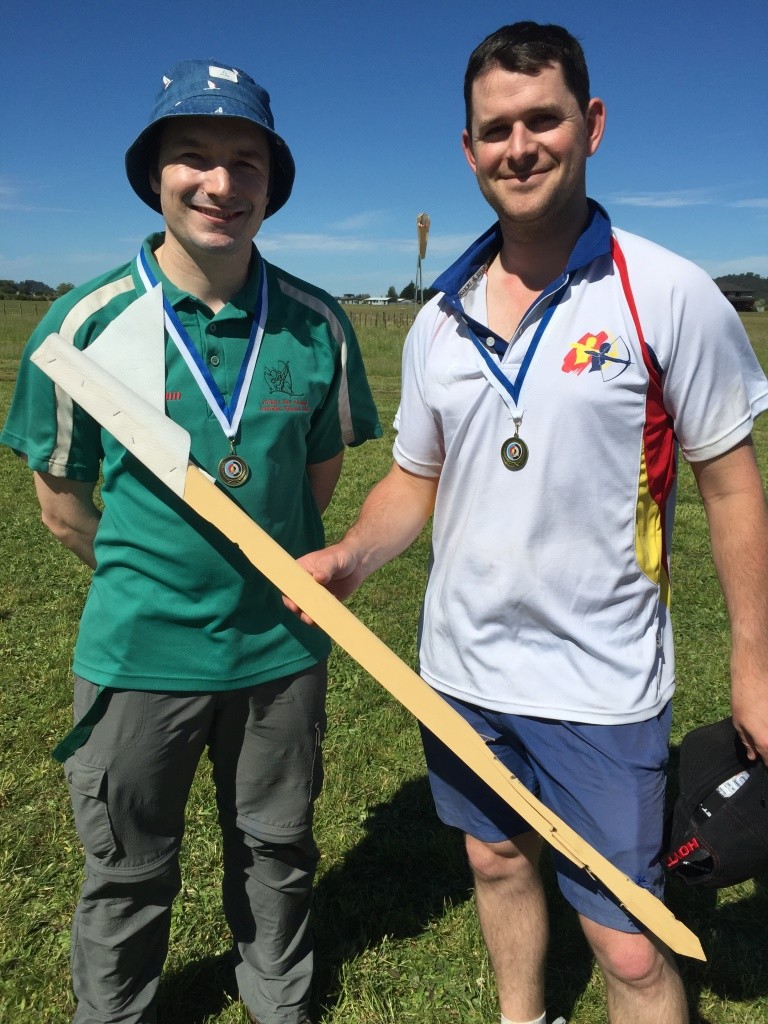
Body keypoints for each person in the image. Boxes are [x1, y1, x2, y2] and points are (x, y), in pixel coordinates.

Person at [286, 22, 768, 1024]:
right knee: (495, 857)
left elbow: (731, 490)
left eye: (542, 119)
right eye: (495, 129)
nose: (520, 145)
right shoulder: (439, 317)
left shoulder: (667, 292)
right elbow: (414, 480)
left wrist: (756, 673)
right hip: (461, 669)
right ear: (468, 150)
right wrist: (351, 554)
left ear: (589, 123)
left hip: (602, 682)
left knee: (630, 946)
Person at [1, 59, 380, 1024]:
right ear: (156, 175)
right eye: (193, 158)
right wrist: (157, 576)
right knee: (127, 867)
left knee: (278, 846)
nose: (220, 183)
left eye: (244, 162)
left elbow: (317, 479)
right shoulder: (82, 323)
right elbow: (62, 507)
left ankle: (278, 1001)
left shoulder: (317, 323)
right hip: (139, 652)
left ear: (270, 184)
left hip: (280, 649)